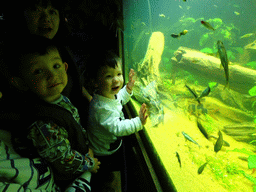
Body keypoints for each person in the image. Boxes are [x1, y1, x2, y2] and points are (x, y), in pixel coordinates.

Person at [2, 35, 100, 190]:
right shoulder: (42, 123)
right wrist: (88, 164)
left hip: (81, 155)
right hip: (68, 176)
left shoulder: (59, 99)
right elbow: (63, 160)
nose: (52, 75)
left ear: (65, 68)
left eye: (56, 66)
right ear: (20, 83)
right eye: (38, 71)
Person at [87, 49, 148, 191]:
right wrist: (138, 122)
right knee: (111, 181)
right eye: (109, 76)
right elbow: (118, 128)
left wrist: (127, 89)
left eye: (119, 74)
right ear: (95, 82)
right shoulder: (101, 109)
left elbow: (118, 99)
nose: (116, 80)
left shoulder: (106, 94)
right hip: (105, 154)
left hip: (111, 144)